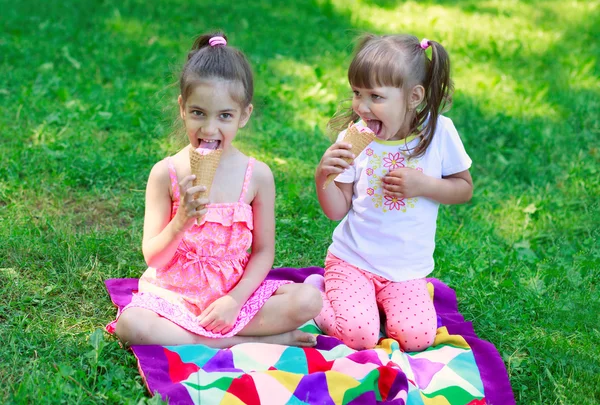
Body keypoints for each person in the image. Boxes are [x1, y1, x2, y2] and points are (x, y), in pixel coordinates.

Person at [110, 32, 321, 347]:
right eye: (198, 113)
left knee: (309, 301)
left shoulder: (258, 177)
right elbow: (153, 258)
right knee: (131, 325)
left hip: (232, 298)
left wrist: (234, 301)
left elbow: (263, 251)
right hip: (174, 297)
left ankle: (204, 336)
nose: (209, 129)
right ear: (182, 108)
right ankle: (244, 341)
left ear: (244, 115)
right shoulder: (164, 174)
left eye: (225, 116)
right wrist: (181, 219)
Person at [310, 33, 473, 352]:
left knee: (416, 338)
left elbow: (464, 189)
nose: (362, 106)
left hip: (406, 271)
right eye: (357, 93)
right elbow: (335, 210)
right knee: (359, 336)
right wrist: (323, 177)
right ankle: (318, 297)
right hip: (353, 260)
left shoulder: (440, 134)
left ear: (413, 97)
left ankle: (378, 304)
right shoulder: (352, 139)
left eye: (375, 96)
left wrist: (424, 185)